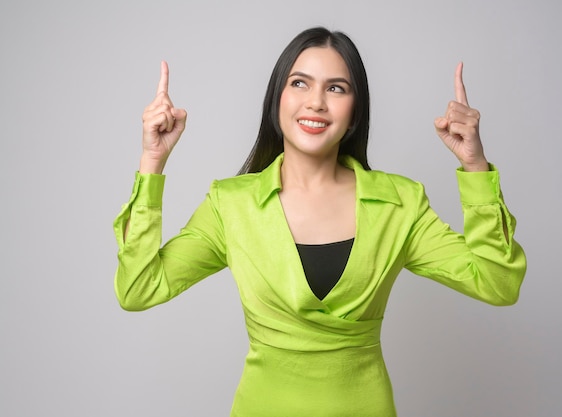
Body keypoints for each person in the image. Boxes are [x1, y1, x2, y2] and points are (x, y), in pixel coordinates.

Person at [113, 27, 526, 417]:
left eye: (336, 88)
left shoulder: (399, 203)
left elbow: (497, 283)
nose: (316, 102)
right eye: (299, 83)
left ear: (355, 110)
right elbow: (138, 289)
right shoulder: (230, 205)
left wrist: (475, 167)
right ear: (277, 98)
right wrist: (152, 162)